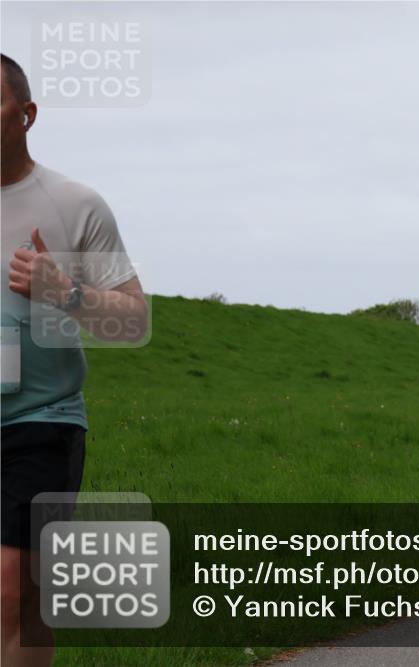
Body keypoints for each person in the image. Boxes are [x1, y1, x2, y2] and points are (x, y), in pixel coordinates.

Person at [1, 53, 147, 666]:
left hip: (41, 422)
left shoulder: (75, 204)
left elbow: (134, 322)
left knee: (13, 594)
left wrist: (65, 291)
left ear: (26, 114)